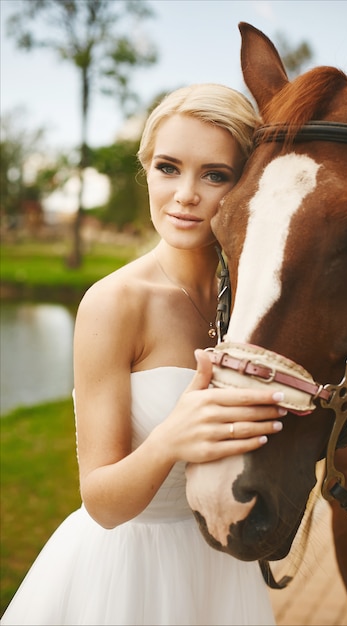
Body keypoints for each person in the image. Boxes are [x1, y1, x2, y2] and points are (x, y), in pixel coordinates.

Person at [1, 84, 288, 626]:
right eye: (168, 167)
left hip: (223, 568)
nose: (184, 194)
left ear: (246, 183)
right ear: (147, 170)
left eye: (215, 174)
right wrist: (171, 437)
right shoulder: (114, 305)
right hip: (127, 574)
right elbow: (102, 503)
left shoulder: (253, 306)